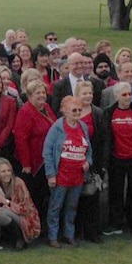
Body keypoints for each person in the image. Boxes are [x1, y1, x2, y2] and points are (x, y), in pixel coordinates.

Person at [101, 82, 132, 240]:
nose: (128, 97)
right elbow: (107, 138)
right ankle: (115, 224)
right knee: (115, 193)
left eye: (129, 94)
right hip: (117, 159)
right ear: (116, 96)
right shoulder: (109, 113)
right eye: (124, 95)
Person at [43, 95, 93, 248]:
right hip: (60, 177)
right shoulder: (57, 128)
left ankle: (68, 235)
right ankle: (52, 236)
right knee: (55, 207)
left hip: (77, 177)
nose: (77, 112)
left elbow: (89, 150)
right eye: (74, 110)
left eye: (79, 110)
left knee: (72, 208)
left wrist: (88, 162)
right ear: (64, 111)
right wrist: (51, 174)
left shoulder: (83, 127)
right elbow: (47, 151)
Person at [14, 79, 57, 218]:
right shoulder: (25, 111)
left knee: (46, 194)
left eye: (43, 92)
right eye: (37, 93)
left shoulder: (47, 108)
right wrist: (26, 164)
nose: (41, 95)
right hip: (35, 162)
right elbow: (21, 139)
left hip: (49, 159)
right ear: (30, 95)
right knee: (36, 196)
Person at [75, 80, 105, 243]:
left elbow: (103, 139)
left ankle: (92, 232)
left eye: (90, 93)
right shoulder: (70, 112)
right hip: (73, 161)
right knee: (75, 197)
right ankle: (76, 230)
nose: (88, 96)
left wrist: (99, 164)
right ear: (77, 95)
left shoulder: (98, 113)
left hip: (92, 162)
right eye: (84, 93)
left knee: (92, 196)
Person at [0, 157, 40, 248]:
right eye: (3, 171)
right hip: (9, 214)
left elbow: (26, 209)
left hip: (25, 217)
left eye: (8, 170)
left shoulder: (18, 183)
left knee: (0, 212)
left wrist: (6, 202)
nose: (7, 174)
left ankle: (20, 237)